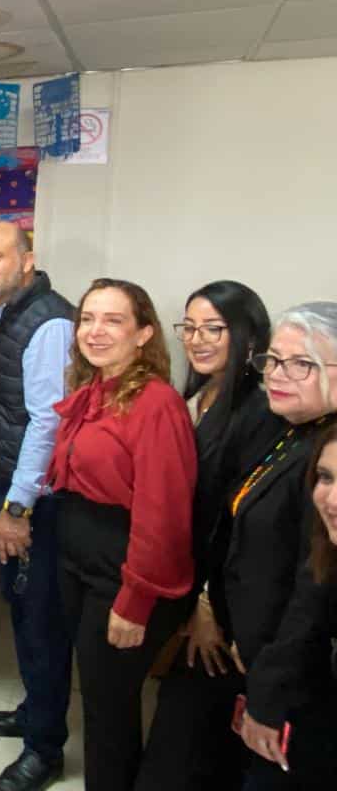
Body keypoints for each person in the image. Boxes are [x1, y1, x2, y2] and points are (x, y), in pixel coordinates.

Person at [47, 278, 198, 791]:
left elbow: (165, 514)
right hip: (78, 554)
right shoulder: (93, 389)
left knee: (109, 707)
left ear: (144, 334)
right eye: (88, 318)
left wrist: (135, 601)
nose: (95, 330)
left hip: (121, 567)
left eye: (113, 320)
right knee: (97, 694)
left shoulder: (155, 404)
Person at [138, 281, 273, 791]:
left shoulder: (257, 411)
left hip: (220, 603)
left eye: (214, 328)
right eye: (190, 327)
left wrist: (207, 603)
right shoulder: (196, 396)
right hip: (185, 584)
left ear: (249, 336)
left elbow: (238, 522)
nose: (197, 339)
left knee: (193, 740)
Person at [0, 221, 76, 791]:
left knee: (39, 621)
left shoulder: (48, 321)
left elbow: (47, 423)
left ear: (27, 262)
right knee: (24, 608)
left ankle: (45, 748)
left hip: (34, 498)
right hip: (8, 481)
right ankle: (35, 713)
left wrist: (16, 506)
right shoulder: (4, 314)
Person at [209, 303, 337, 790]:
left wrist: (269, 697)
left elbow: (314, 593)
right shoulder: (290, 430)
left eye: (302, 364)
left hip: (298, 683)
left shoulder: (328, 459)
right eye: (274, 361)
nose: (279, 375)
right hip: (258, 653)